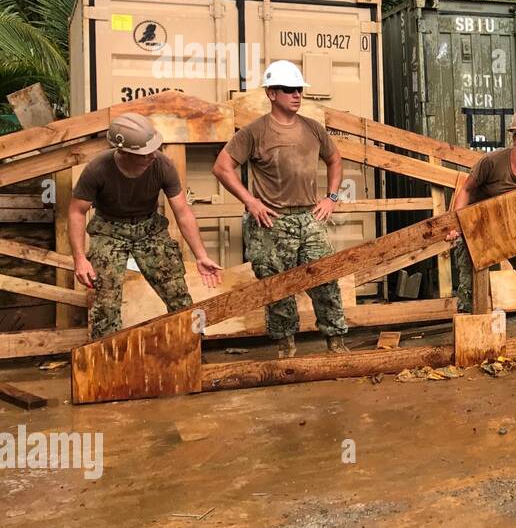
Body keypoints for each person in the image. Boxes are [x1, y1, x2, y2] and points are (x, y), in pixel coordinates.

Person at [213, 60, 349, 358]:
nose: (296, 95)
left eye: (299, 90)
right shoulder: (254, 132)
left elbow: (335, 159)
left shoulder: (313, 129)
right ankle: (285, 346)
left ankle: (336, 342)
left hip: (309, 217)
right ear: (272, 93)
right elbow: (222, 168)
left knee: (325, 278)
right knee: (278, 287)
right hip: (271, 222)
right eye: (288, 90)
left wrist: (332, 197)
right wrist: (250, 201)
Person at [69, 113, 221, 339]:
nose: (152, 156)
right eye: (144, 154)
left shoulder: (162, 164)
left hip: (149, 228)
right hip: (109, 230)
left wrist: (201, 255)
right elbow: (76, 212)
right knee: (106, 304)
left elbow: (183, 212)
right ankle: (108, 363)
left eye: (153, 150)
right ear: (124, 151)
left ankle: (195, 346)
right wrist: (80, 259)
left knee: (178, 293)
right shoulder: (97, 169)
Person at [444, 107, 516, 336]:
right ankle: (470, 335)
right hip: (479, 229)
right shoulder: (492, 162)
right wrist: (455, 226)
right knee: (469, 288)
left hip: (512, 230)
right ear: (514, 137)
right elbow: (466, 190)